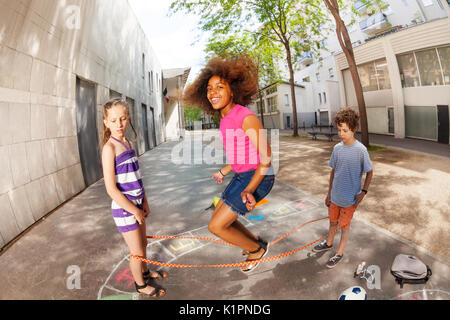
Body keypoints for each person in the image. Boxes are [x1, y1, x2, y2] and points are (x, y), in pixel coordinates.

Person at [183, 55, 275, 272]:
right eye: (209, 88)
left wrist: (250, 189)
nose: (213, 92)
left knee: (216, 226)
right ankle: (255, 242)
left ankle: (256, 251)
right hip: (242, 175)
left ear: (232, 90)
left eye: (219, 87)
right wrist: (223, 171)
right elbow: (239, 155)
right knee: (219, 218)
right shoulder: (225, 119)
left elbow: (266, 157)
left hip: (258, 178)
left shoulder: (245, 116)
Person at [101, 98, 167, 297]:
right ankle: (140, 285)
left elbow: (137, 178)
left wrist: (144, 201)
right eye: (113, 120)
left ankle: (145, 272)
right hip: (124, 209)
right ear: (106, 122)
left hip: (138, 204)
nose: (119, 124)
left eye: (122, 119)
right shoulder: (109, 149)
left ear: (128, 118)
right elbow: (111, 189)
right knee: (136, 251)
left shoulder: (128, 143)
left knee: (143, 244)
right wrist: (134, 209)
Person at [313, 107, 373, 268]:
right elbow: (334, 171)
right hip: (335, 197)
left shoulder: (361, 150)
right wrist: (328, 194)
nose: (341, 133)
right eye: (339, 130)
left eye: (345, 130)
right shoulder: (337, 149)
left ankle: (339, 253)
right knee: (333, 222)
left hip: (349, 200)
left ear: (354, 129)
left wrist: (364, 192)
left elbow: (370, 172)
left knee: (344, 227)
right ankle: (329, 243)